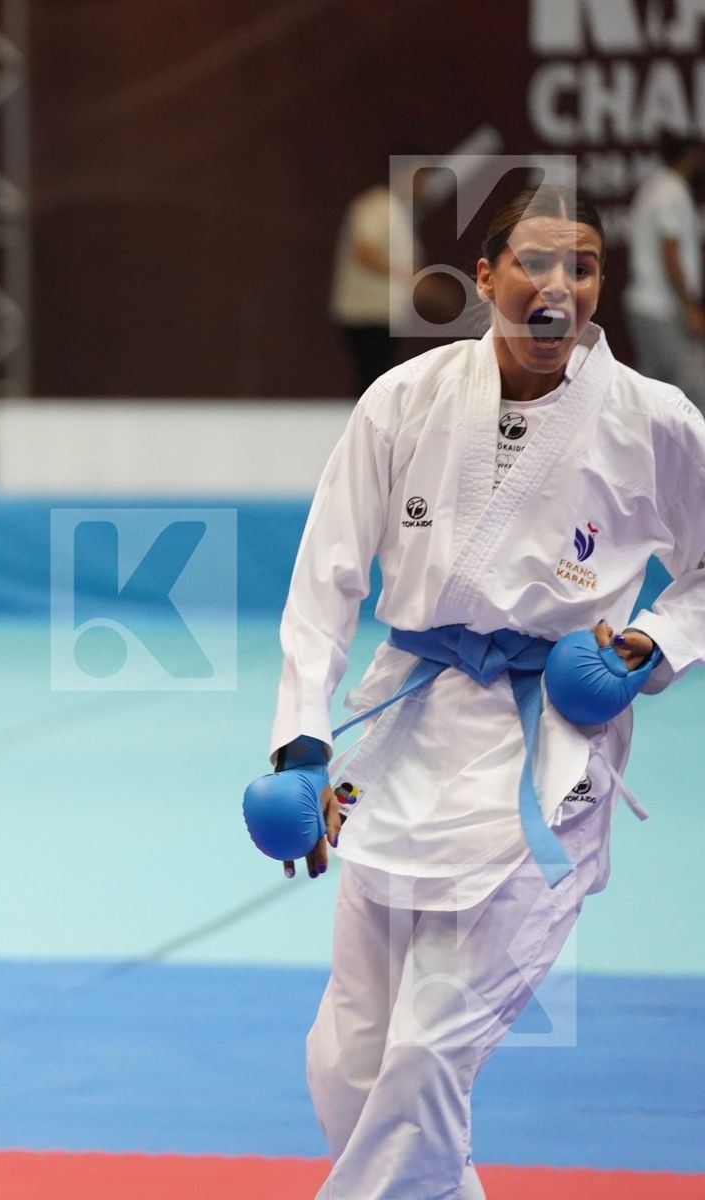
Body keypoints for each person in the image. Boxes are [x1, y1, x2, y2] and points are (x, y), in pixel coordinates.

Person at [269, 185, 705, 1198]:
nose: (560, 288)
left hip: (546, 755)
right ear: (485, 278)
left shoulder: (652, 420)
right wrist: (301, 740)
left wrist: (648, 641)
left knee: (427, 1058)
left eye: (584, 266)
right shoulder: (406, 399)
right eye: (537, 264)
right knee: (349, 1060)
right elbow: (326, 576)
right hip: (400, 739)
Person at [623, 133, 705, 406]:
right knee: (693, 389)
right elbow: (670, 254)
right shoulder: (673, 192)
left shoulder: (654, 187)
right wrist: (689, 306)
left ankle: (647, 448)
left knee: (652, 391)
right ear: (692, 156)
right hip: (662, 308)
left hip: (646, 305)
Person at [329, 162, 425, 394]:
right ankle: (368, 428)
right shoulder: (376, 207)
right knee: (375, 379)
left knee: (382, 378)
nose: (425, 184)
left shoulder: (402, 212)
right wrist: (406, 276)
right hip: (366, 312)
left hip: (387, 313)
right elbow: (365, 251)